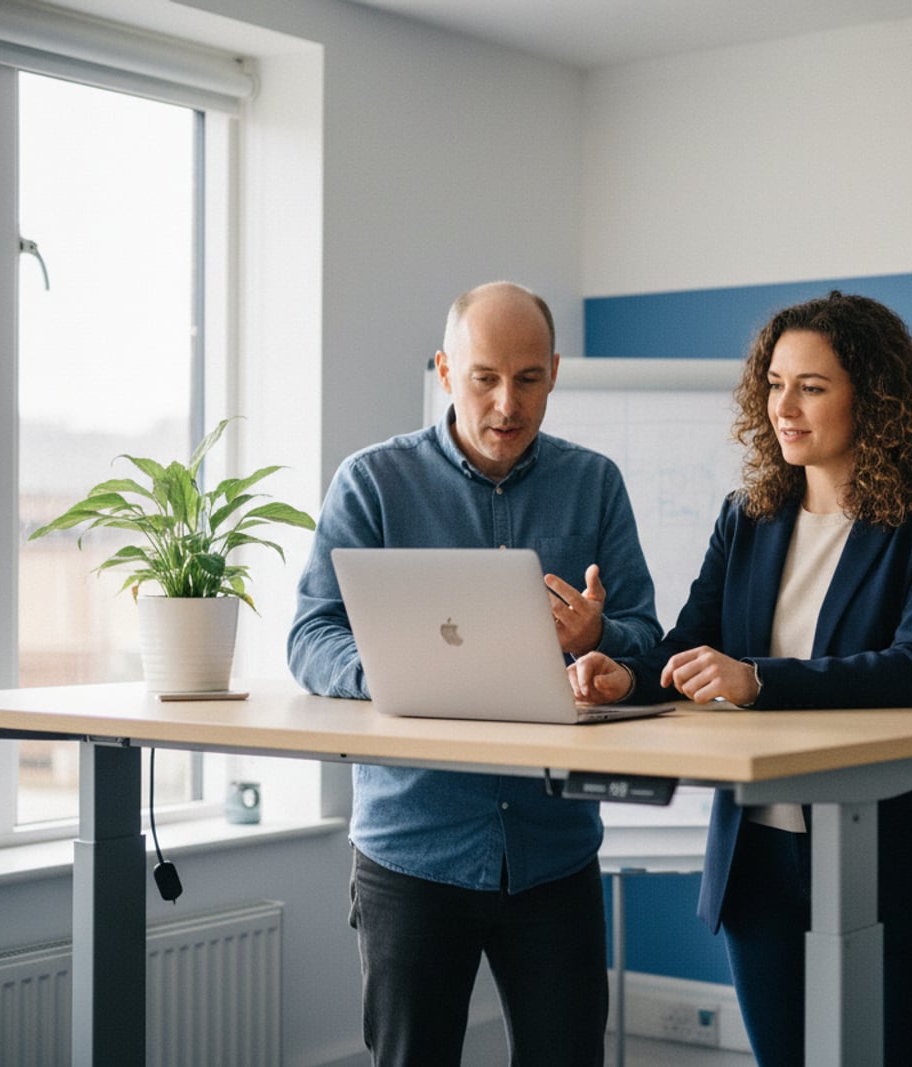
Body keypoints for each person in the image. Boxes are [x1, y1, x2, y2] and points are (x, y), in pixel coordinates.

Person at [570, 291, 912, 1066]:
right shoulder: (750, 515)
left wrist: (756, 679)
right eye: (773, 383)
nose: (783, 407)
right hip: (758, 864)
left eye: (812, 386)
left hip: (891, 859)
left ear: (875, 395)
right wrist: (622, 678)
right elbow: (686, 647)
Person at [287, 281, 661, 1067]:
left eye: (528, 378)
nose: (507, 403)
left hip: (554, 846)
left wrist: (603, 639)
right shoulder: (371, 482)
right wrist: (391, 669)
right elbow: (311, 635)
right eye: (485, 376)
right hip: (412, 845)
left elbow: (646, 638)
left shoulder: (595, 484)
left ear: (554, 372)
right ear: (446, 370)